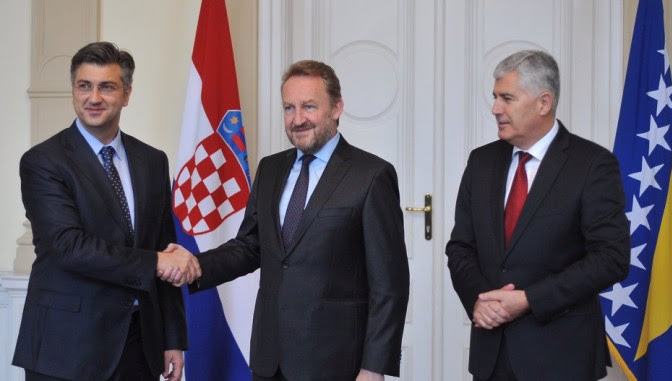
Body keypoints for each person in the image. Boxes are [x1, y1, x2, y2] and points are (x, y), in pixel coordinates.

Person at [160, 60, 410, 381]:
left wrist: (374, 366)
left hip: (335, 362)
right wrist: (194, 265)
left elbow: (390, 283)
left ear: (336, 108)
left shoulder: (371, 175)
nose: (297, 119)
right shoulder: (271, 169)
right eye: (289, 108)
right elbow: (249, 247)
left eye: (309, 106)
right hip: (270, 357)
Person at [13, 41, 200, 381]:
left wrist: (172, 338)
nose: (94, 97)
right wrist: (155, 261)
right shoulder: (43, 162)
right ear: (73, 90)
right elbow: (69, 247)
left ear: (126, 94)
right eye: (84, 86)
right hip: (66, 349)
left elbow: (165, 245)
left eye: (107, 87)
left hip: (138, 346)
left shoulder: (152, 161)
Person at [445, 50, 630, 381]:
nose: (495, 109)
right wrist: (479, 302)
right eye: (495, 97)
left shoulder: (592, 165)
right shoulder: (481, 162)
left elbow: (611, 258)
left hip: (562, 355)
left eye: (507, 98)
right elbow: (460, 247)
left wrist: (529, 299)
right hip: (493, 353)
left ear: (543, 103)